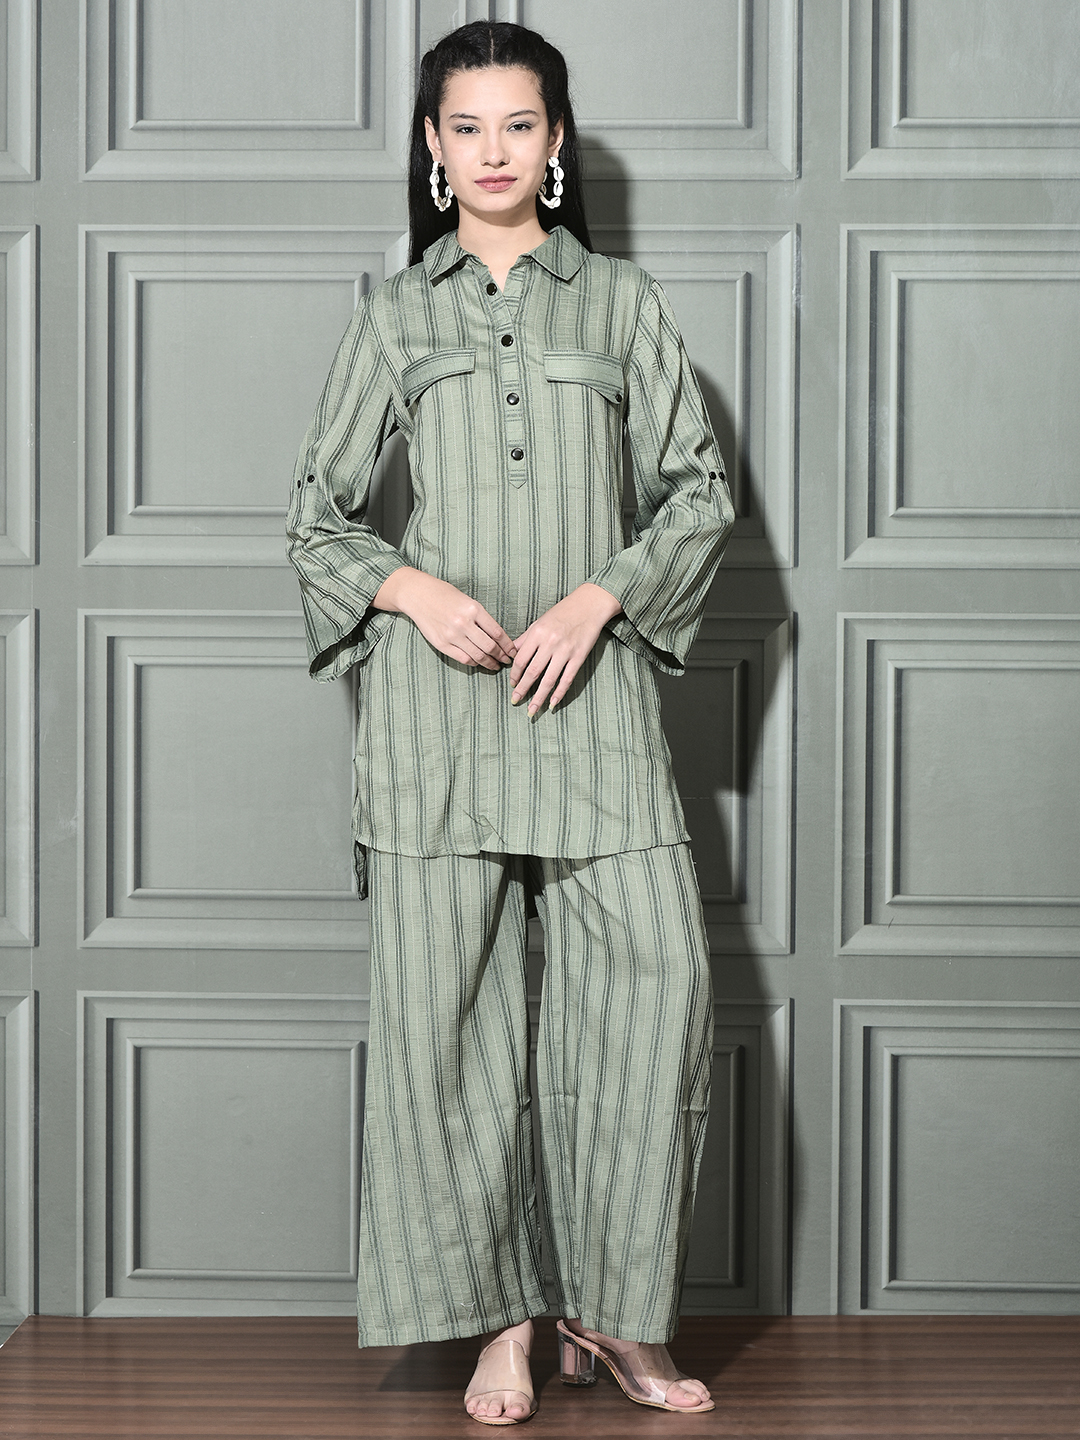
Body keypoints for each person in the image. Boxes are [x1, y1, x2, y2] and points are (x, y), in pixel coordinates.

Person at [286, 19, 735, 1427]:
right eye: (466, 127)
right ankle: (502, 1325)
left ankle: (619, 1315)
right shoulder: (394, 318)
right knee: (450, 1037)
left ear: (556, 143)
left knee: (651, 1003)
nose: (493, 150)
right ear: (433, 148)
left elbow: (698, 492)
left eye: (518, 124)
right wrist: (414, 590)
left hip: (592, 711)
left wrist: (601, 598)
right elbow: (316, 518)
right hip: (439, 728)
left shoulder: (622, 305)